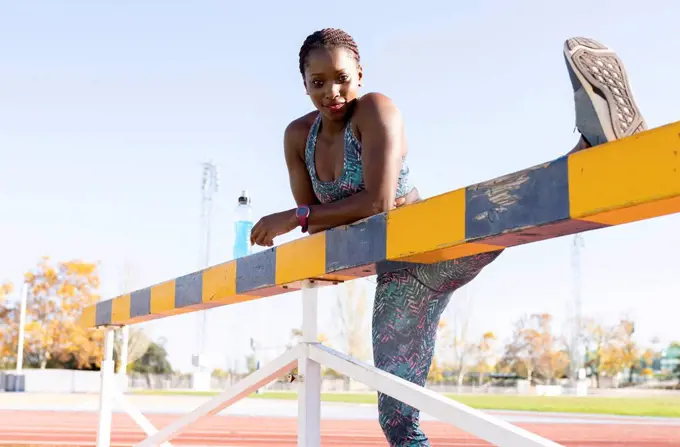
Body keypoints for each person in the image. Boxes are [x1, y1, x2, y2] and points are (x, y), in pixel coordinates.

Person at [249, 29, 646, 446]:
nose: (332, 91)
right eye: (318, 82)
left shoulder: (375, 110)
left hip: (433, 243)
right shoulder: (298, 136)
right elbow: (323, 223)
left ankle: (594, 150)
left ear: (360, 75)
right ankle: (589, 151)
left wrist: (297, 216)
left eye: (342, 78)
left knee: (495, 209)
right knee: (397, 421)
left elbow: (376, 204)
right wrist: (307, 217)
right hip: (399, 281)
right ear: (304, 84)